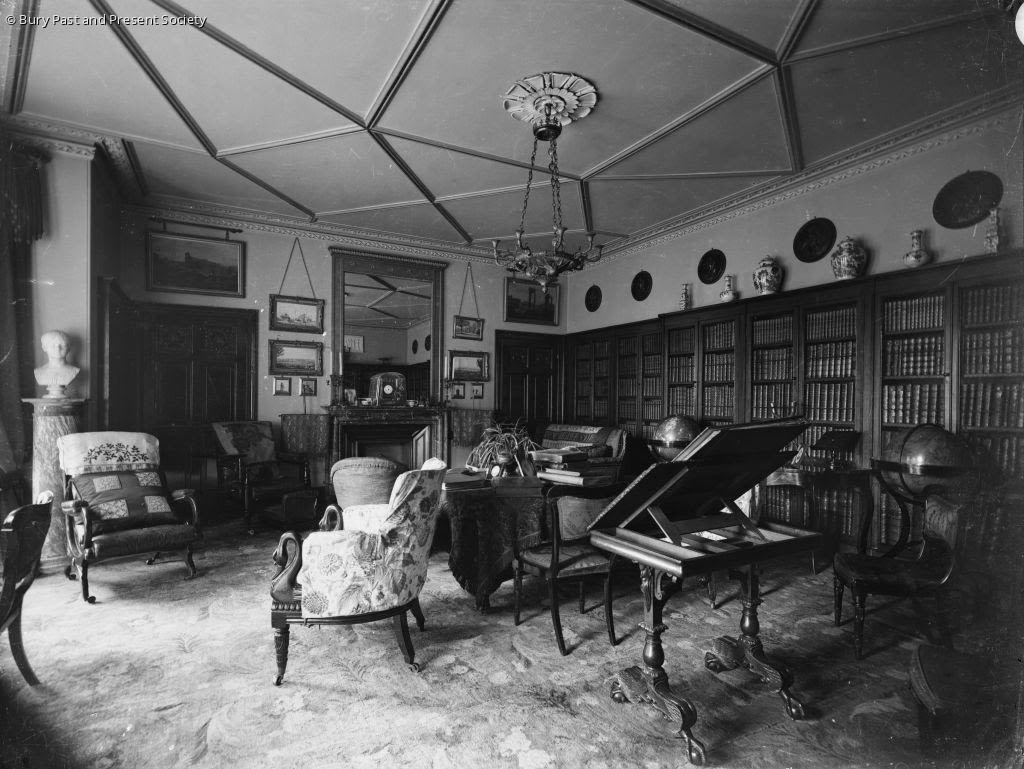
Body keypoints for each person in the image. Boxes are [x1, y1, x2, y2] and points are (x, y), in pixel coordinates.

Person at [34, 330, 80, 398]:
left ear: (69, 348)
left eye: (63, 345)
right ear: (44, 347)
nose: (58, 348)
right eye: (53, 345)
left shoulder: (74, 371)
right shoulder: (38, 372)